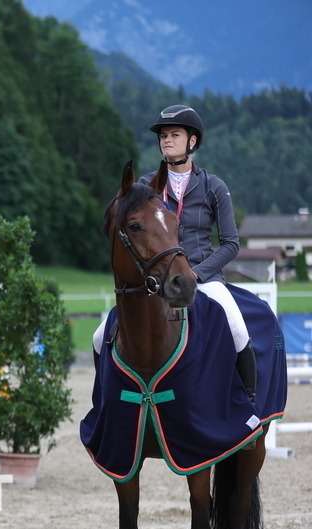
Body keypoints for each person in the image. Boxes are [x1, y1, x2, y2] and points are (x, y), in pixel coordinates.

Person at [94, 104, 256, 404]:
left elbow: (231, 242)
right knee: (98, 336)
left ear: (192, 141)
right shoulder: (145, 186)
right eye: (163, 135)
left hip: (202, 278)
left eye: (174, 134)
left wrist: (198, 273)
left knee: (236, 326)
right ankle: (104, 404)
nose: (167, 139)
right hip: (155, 280)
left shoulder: (213, 186)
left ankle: (248, 402)